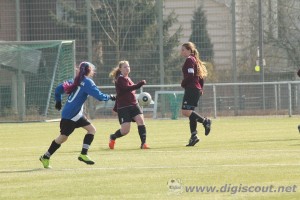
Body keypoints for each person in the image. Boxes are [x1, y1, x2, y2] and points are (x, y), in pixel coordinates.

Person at [39, 61, 116, 168]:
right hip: (71, 115)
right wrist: (111, 97)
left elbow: (57, 90)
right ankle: (45, 157)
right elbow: (99, 97)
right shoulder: (88, 82)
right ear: (89, 71)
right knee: (63, 138)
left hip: (71, 113)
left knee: (91, 129)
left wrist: (58, 101)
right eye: (92, 70)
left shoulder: (74, 81)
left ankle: (83, 154)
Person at [108, 60, 149, 149]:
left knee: (141, 121)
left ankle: (143, 144)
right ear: (120, 69)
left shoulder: (128, 78)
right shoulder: (120, 79)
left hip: (134, 105)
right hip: (124, 107)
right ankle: (113, 137)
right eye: (125, 67)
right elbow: (126, 89)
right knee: (125, 131)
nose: (127, 68)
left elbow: (124, 93)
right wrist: (138, 85)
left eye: (128, 66)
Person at [180, 42, 212, 146]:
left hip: (192, 88)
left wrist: (183, 83)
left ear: (189, 50)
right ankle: (194, 136)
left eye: (183, 50)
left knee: (185, 111)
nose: (181, 52)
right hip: (196, 89)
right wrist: (201, 88)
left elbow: (190, 75)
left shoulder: (190, 59)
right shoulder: (195, 60)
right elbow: (201, 77)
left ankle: (205, 121)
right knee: (190, 112)